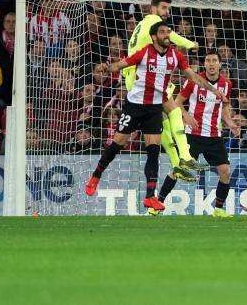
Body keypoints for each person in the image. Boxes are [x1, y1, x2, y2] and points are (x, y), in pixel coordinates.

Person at [84, 22, 225, 211]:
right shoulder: (144, 52)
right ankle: (95, 176)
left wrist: (214, 91)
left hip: (154, 109)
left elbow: (194, 77)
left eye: (168, 32)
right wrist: (107, 68)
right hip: (134, 106)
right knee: (117, 145)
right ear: (153, 37)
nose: (167, 35)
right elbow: (121, 64)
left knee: (153, 151)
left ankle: (150, 197)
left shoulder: (176, 56)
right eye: (162, 32)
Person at [124, 0, 203, 182]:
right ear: (154, 7)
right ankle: (185, 156)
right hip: (142, 78)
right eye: (164, 8)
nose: (167, 12)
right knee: (174, 112)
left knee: (164, 123)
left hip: (133, 78)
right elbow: (171, 36)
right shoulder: (152, 19)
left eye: (168, 8)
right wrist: (191, 43)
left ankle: (177, 164)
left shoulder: (142, 25)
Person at [154, 52, 241, 218]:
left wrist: (229, 122)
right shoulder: (193, 81)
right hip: (193, 134)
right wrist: (186, 116)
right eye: (208, 60)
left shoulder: (227, 84)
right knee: (178, 169)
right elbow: (177, 102)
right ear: (204, 64)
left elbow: (224, 107)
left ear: (220, 64)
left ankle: (219, 209)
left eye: (214, 60)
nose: (211, 63)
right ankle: (157, 203)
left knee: (225, 171)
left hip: (214, 135)